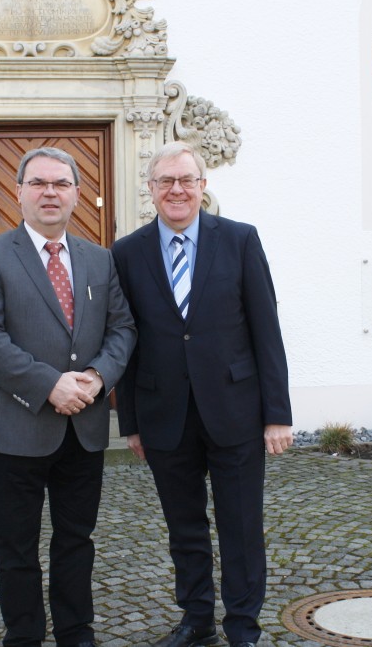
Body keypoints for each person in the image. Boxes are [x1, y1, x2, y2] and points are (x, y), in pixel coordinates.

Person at [111, 141, 293, 647]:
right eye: (165, 181)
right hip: (163, 414)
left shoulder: (239, 240)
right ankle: (196, 620)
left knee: (240, 527)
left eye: (186, 180)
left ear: (202, 186)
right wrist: (130, 421)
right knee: (184, 529)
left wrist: (277, 414)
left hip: (235, 410)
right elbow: (123, 338)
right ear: (150, 190)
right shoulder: (127, 252)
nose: (176, 190)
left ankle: (242, 626)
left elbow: (266, 329)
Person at [0, 147, 136, 647]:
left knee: (76, 540)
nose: (50, 193)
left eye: (61, 184)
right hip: (19, 428)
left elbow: (122, 327)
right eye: (38, 183)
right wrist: (49, 385)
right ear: (18, 192)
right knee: (15, 546)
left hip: (84, 429)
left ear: (78, 194)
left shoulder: (99, 259)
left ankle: (76, 631)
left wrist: (100, 377)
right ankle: (25, 635)